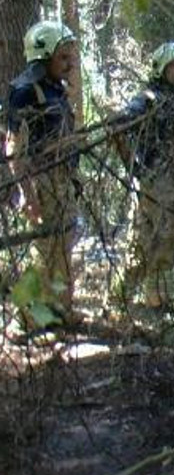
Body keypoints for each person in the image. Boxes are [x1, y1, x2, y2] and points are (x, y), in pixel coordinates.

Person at [4, 21, 79, 323]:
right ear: (43, 56)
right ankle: (30, 318)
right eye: (63, 56)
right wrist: (28, 194)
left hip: (62, 179)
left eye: (70, 55)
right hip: (40, 180)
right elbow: (14, 149)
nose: (70, 62)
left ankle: (60, 309)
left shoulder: (55, 89)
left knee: (62, 247)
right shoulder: (24, 93)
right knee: (44, 249)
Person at [115, 42, 174, 308]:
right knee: (148, 236)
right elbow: (120, 124)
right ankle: (124, 293)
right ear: (162, 69)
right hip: (156, 178)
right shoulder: (149, 98)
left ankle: (155, 293)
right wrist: (136, 169)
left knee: (171, 234)